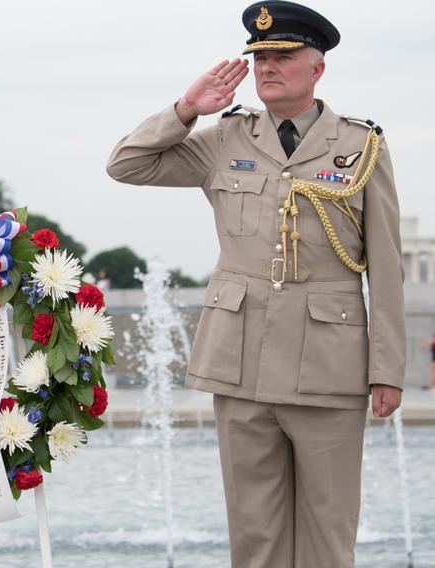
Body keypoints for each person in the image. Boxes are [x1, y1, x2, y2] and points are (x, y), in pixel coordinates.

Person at [106, 2, 405, 566]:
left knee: (328, 533)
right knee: (254, 534)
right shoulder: (226, 138)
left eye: (282, 57)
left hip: (328, 367)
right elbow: (127, 164)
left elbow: (386, 265)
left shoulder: (361, 146)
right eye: (259, 56)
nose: (267, 67)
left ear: (317, 68)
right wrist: (186, 108)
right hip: (240, 363)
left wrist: (386, 371)